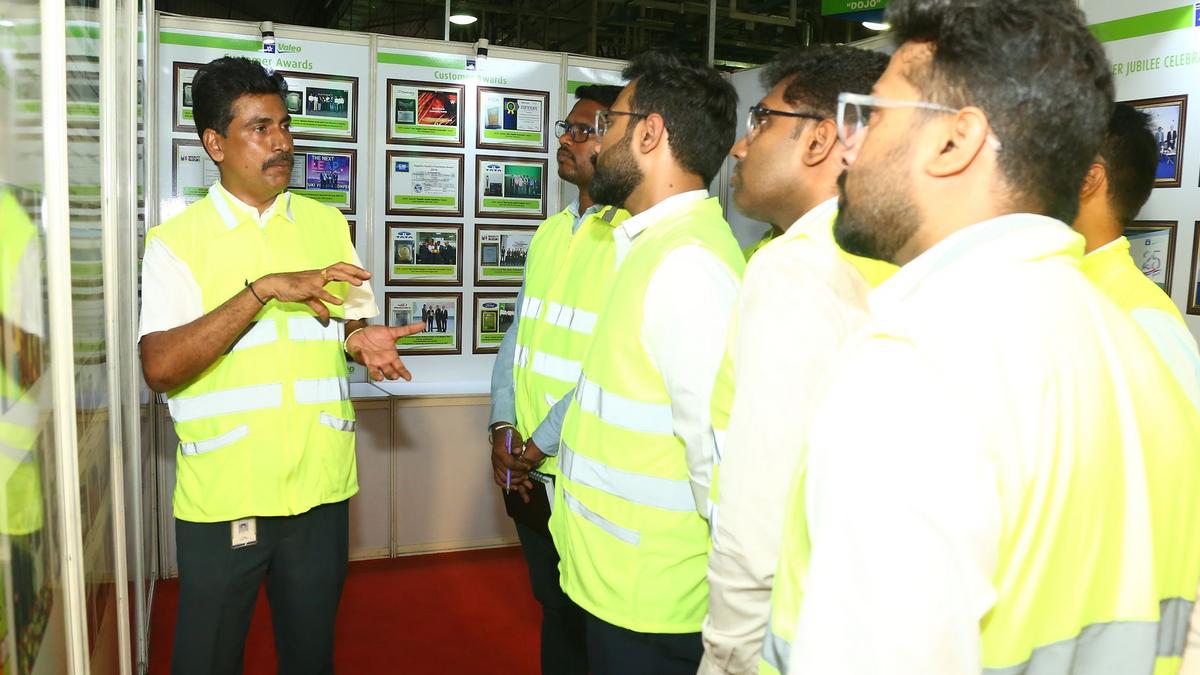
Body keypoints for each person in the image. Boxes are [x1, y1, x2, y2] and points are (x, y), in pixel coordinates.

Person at [764, 1, 1200, 673]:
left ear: (954, 141)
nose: (849, 146)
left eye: (873, 115)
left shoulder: (915, 370)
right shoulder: (1136, 352)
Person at [138, 57, 423, 675]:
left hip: (320, 490)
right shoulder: (175, 242)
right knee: (207, 660)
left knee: (310, 657)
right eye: (259, 128)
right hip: (226, 497)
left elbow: (350, 320)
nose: (281, 143)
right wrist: (261, 289)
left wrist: (360, 338)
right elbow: (159, 366)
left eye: (285, 126)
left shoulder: (326, 223)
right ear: (215, 143)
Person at [515, 50, 742, 674]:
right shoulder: (648, 247)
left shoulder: (687, 267)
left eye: (609, 123)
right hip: (615, 584)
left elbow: (723, 464)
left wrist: (738, 631)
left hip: (656, 603)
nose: (597, 139)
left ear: (649, 133)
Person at [698, 46, 892, 675]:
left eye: (760, 120)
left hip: (791, 632)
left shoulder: (796, 269)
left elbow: (759, 512)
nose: (740, 147)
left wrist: (728, 654)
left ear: (820, 139)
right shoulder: (897, 253)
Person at [486, 83, 626, 675]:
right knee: (555, 611)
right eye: (565, 128)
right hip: (527, 472)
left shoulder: (630, 239)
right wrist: (501, 425)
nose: (566, 140)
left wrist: (538, 443)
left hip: (580, 473)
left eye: (583, 131)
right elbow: (517, 337)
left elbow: (611, 363)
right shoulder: (550, 232)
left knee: (595, 626)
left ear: (620, 141)